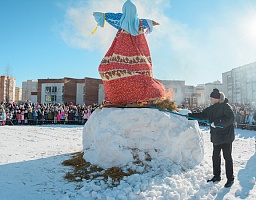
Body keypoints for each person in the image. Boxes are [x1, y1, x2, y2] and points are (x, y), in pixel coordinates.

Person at [92, 0, 165, 105]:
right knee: (140, 69)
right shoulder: (139, 22)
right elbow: (148, 22)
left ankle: (120, 95)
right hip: (136, 51)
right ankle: (142, 94)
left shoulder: (121, 20)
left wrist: (99, 15)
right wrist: (153, 23)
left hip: (121, 48)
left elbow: (107, 16)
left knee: (113, 68)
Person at [188, 88, 235, 188]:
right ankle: (217, 176)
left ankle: (230, 178)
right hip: (217, 137)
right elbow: (202, 114)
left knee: (227, 158)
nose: (211, 99)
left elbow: (230, 119)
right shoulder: (211, 108)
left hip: (226, 137)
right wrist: (188, 115)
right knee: (215, 157)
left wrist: (217, 123)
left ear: (217, 98)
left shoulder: (226, 107)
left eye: (212, 98)